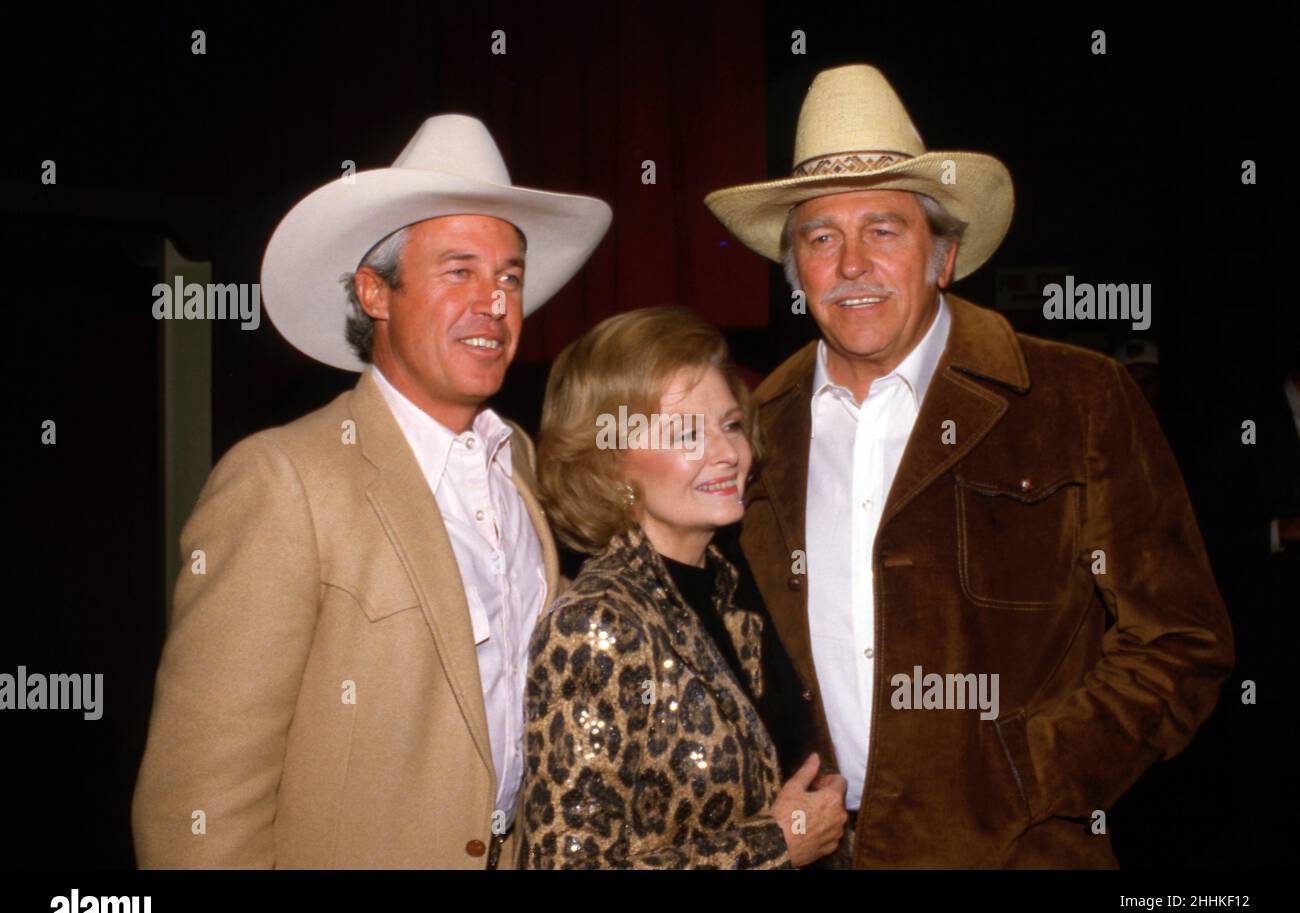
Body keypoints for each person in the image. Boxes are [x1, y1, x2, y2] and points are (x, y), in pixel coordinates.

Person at [703, 65, 1234, 867]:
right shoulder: (754, 431)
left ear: (942, 257)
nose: (851, 264)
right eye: (820, 237)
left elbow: (1184, 642)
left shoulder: (1074, 397)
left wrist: (1026, 773)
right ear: (796, 272)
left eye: (883, 229)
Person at [132, 115, 611, 868]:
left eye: (509, 276)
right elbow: (198, 808)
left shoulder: (518, 461)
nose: (494, 302)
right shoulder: (282, 481)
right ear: (374, 292)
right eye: (459, 270)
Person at [522, 306, 847, 868]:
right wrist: (777, 845)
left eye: (730, 424)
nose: (726, 453)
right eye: (687, 433)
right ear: (610, 463)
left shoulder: (734, 595)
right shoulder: (597, 625)